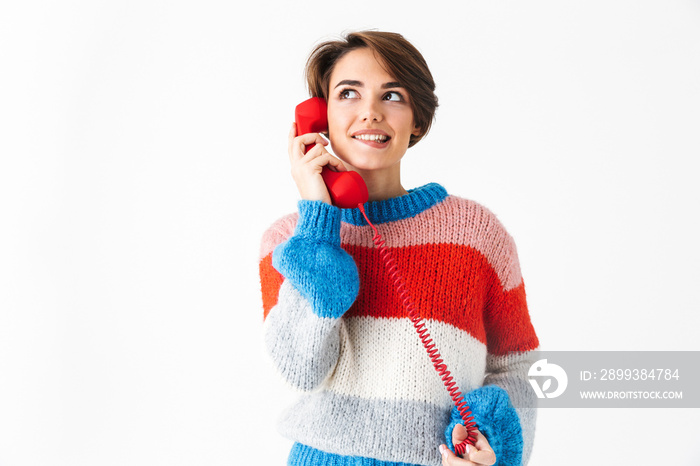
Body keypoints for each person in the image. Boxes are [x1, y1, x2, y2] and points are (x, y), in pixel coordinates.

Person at [259, 30, 539, 466]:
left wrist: (495, 448)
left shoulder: (477, 235)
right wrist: (318, 221)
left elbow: (517, 369)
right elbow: (301, 368)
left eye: (392, 96)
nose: (369, 113)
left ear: (418, 121)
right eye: (348, 93)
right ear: (319, 117)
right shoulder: (288, 241)